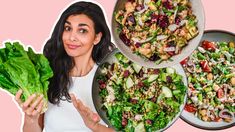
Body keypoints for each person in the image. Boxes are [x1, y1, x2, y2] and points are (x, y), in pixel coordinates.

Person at [14, 1, 115, 132]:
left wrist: (94, 126)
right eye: (68, 28)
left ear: (97, 37)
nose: (72, 37)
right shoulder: (48, 75)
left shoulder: (109, 79)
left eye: (82, 30)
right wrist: (30, 118)